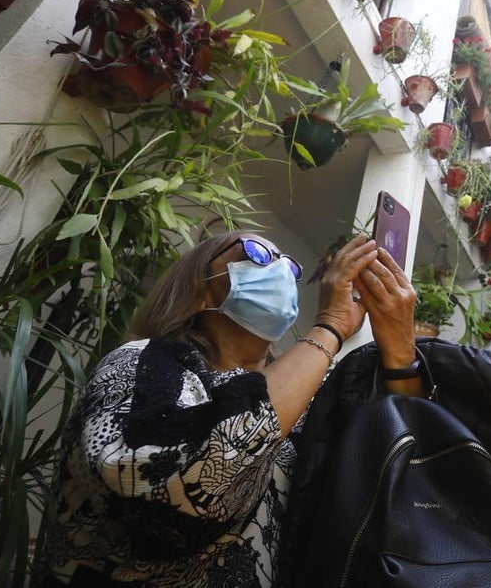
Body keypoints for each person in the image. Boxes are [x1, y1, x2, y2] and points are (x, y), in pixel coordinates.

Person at [33, 231, 419, 588]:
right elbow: (166, 483)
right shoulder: (143, 363)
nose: (280, 267)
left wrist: (401, 351)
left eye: (287, 263)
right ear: (200, 290)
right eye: (257, 253)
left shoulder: (303, 407)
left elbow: (394, 476)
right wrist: (329, 328)